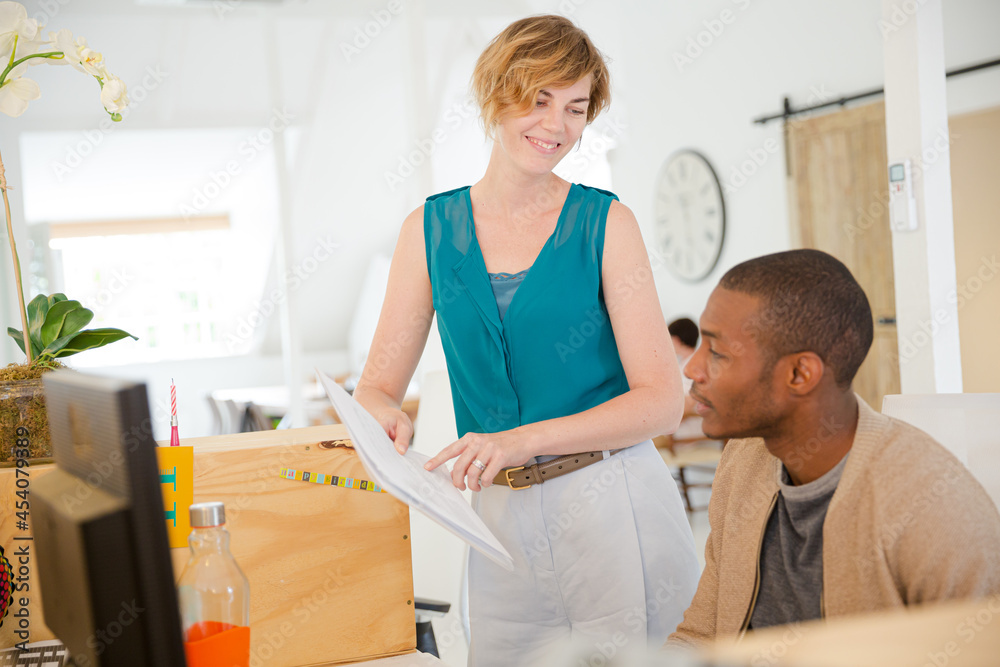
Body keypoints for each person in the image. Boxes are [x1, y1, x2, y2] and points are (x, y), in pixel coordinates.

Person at [353, 14, 700, 666]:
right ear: (496, 95)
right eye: (538, 99)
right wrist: (382, 415)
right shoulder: (428, 232)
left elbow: (662, 401)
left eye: (575, 108)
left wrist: (523, 439)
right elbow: (375, 387)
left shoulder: (607, 224)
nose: (556, 125)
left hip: (611, 500)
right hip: (498, 519)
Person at [667, 249, 1000, 648]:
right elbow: (701, 634)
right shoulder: (742, 460)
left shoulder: (933, 506)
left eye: (718, 352)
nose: (692, 369)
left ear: (799, 374)